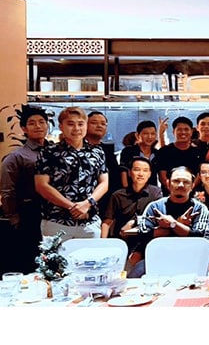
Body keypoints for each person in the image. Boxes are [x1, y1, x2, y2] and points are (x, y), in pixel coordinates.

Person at [34, 107, 108, 239]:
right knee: (55, 259)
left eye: (80, 124)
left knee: (91, 259)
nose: (76, 128)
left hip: (89, 221)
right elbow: (41, 185)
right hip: (56, 221)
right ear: (61, 126)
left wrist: (87, 203)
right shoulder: (48, 152)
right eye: (70, 124)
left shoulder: (97, 152)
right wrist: (72, 207)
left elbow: (104, 182)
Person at [134, 166, 209, 274]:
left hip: (190, 259)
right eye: (176, 181)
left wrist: (171, 224)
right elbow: (143, 235)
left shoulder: (200, 208)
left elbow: (199, 237)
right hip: (157, 258)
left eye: (186, 182)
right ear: (168, 182)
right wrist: (179, 226)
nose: (181, 185)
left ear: (193, 185)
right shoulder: (154, 207)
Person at [0, 105, 49, 273]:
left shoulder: (56, 153)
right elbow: (7, 192)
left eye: (42, 122)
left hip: (55, 212)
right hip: (29, 213)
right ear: (23, 128)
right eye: (32, 123)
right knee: (32, 261)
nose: (38, 126)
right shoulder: (16, 157)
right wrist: (14, 219)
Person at [101, 156, 162, 240]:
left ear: (150, 174)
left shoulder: (156, 193)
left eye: (145, 170)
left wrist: (133, 222)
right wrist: (103, 243)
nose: (141, 174)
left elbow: (157, 217)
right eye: (137, 169)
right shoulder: (118, 195)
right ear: (129, 173)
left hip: (146, 238)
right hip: (122, 239)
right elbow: (107, 222)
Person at [155, 116, 203, 193]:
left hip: (192, 194)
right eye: (179, 129)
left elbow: (199, 175)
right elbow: (162, 176)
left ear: (191, 132)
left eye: (186, 129)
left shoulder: (198, 152)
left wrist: (189, 189)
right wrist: (174, 190)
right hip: (169, 194)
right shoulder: (164, 151)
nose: (183, 132)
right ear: (173, 132)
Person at [85, 111, 122, 206]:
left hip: (107, 201)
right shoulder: (79, 148)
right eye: (94, 123)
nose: (99, 126)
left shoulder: (107, 150)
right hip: (83, 201)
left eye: (103, 124)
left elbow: (115, 178)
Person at [119, 120, 159, 188]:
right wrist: (126, 190)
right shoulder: (128, 151)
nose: (149, 137)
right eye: (146, 133)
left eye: (153, 134)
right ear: (137, 135)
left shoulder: (157, 153)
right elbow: (124, 172)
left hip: (152, 192)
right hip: (131, 190)